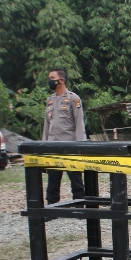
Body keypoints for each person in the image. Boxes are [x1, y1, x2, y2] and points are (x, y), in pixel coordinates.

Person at [43, 68, 86, 205]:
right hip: (53, 145)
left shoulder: (73, 99)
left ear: (61, 80)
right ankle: (52, 206)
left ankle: (79, 204)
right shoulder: (50, 100)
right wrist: (44, 146)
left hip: (70, 145)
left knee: (75, 178)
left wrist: (80, 146)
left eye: (52, 77)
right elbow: (46, 126)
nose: (49, 80)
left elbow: (79, 123)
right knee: (53, 179)